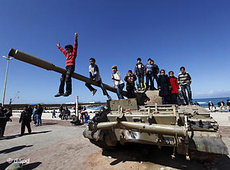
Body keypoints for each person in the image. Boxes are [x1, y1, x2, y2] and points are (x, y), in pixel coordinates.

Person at [55, 33, 78, 97]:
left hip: (71, 67)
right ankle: (60, 92)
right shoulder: (67, 54)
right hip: (66, 67)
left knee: (68, 77)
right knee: (62, 78)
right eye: (66, 49)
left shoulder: (73, 54)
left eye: (67, 49)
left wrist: (76, 38)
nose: (66, 50)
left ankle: (68, 91)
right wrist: (59, 46)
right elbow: (62, 51)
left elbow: (75, 46)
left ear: (70, 49)